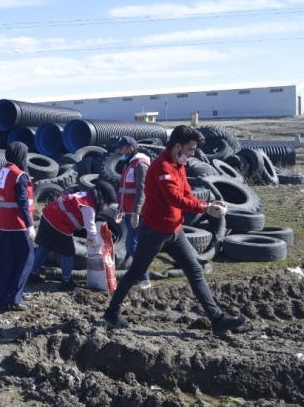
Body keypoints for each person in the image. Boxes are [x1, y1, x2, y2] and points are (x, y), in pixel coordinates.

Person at [102, 125, 247, 335]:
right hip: (154, 231)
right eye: (190, 148)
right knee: (134, 273)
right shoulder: (161, 166)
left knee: (195, 271)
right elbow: (173, 198)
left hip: (175, 230)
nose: (193, 153)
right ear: (178, 146)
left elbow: (187, 193)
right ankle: (111, 313)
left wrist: (208, 205)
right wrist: (205, 209)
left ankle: (217, 319)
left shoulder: (178, 166)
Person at [29, 181, 118, 291]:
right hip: (57, 221)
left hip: (48, 215)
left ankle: (32, 274)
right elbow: (91, 229)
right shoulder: (88, 206)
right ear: (103, 198)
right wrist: (98, 242)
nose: (106, 206)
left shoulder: (86, 196)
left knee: (45, 246)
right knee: (68, 251)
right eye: (107, 203)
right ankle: (66, 281)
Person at [0, 142, 35, 311]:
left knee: (6, 261)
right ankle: (13, 298)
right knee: (26, 259)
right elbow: (23, 203)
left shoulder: (2, 171)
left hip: (2, 223)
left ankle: (0, 295)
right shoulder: (20, 176)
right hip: (18, 224)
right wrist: (30, 225)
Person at [113, 136, 152, 289]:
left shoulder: (140, 164)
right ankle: (140, 276)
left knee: (132, 245)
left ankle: (145, 278)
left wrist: (136, 212)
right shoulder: (128, 164)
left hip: (138, 213)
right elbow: (124, 190)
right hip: (129, 211)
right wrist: (120, 209)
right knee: (133, 244)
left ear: (130, 148)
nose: (118, 151)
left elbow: (141, 190)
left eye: (121, 148)